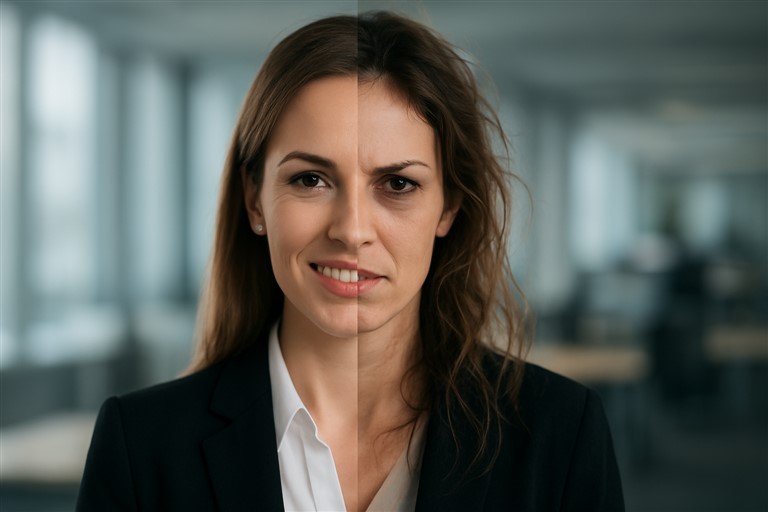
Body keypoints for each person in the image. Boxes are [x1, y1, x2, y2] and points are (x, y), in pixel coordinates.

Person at [76, 11, 624, 512]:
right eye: (310, 180)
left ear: (449, 207)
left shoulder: (559, 433)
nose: (352, 230)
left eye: (397, 184)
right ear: (254, 200)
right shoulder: (141, 445)